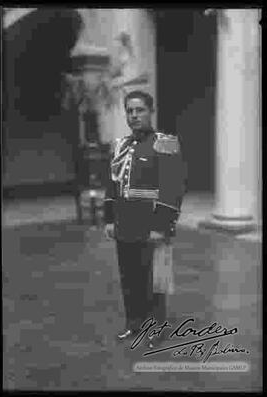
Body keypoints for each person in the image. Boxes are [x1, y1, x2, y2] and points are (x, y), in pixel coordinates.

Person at [104, 90, 187, 348]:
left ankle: (157, 329)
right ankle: (134, 325)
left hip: (152, 223)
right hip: (125, 223)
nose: (134, 115)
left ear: (151, 111)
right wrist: (109, 218)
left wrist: (161, 226)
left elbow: (173, 188)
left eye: (139, 110)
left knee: (155, 281)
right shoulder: (121, 146)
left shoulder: (166, 142)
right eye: (129, 110)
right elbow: (112, 184)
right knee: (130, 279)